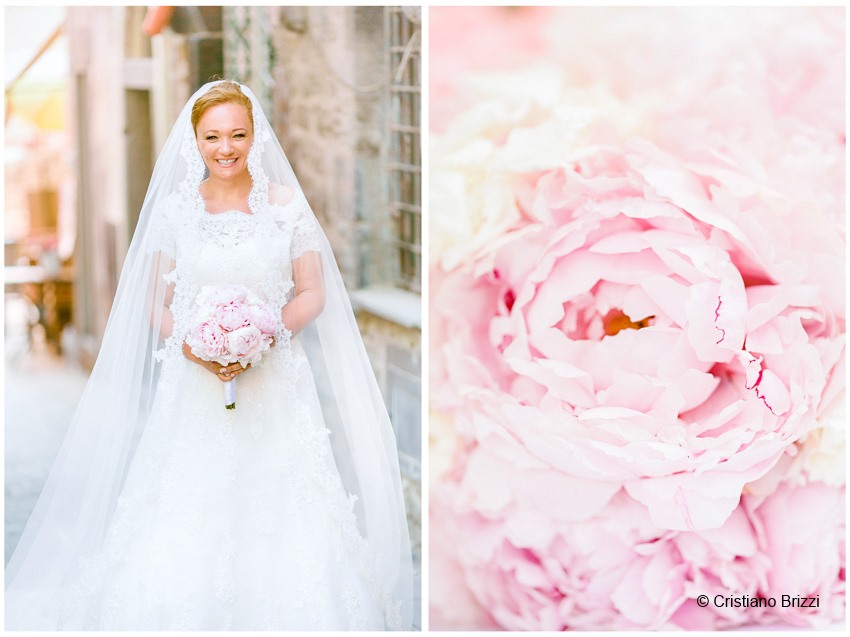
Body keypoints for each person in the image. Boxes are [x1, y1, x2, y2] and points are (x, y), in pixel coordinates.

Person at [5, 81, 414, 630]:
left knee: (286, 500)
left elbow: (312, 291)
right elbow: (155, 298)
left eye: (238, 135)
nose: (227, 148)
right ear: (195, 142)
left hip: (275, 387)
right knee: (187, 500)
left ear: (256, 137)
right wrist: (196, 347)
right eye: (213, 136)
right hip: (194, 387)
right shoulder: (177, 211)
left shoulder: (287, 208)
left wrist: (265, 335)